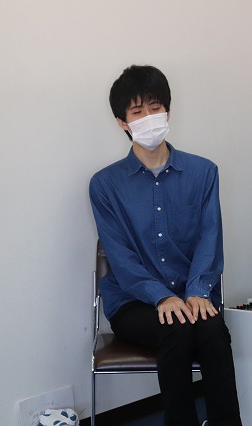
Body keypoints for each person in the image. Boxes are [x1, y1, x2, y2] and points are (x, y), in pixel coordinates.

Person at [89, 65, 241, 426]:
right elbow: (121, 257)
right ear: (122, 122)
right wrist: (161, 296)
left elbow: (209, 237)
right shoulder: (105, 185)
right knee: (175, 327)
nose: (149, 118)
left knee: (212, 331)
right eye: (137, 112)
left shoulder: (204, 172)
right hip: (133, 302)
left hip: (193, 292)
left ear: (168, 112)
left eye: (155, 108)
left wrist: (197, 291)